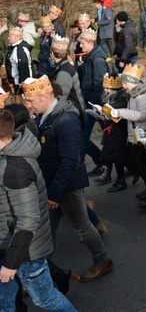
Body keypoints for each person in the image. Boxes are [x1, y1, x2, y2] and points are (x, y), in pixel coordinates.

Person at [22, 76, 114, 282]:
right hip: (53, 184)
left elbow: (70, 161)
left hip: (65, 186)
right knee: (48, 231)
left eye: (31, 101)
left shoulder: (65, 120)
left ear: (45, 96)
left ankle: (102, 260)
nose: (28, 105)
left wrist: (54, 194)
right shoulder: (46, 115)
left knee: (81, 226)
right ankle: (42, 274)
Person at [0, 109, 77, 312]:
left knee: (46, 299)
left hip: (25, 254)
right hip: (9, 246)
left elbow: (27, 221)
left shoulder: (15, 169)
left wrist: (10, 263)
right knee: (4, 302)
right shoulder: (8, 154)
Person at [110, 63, 146, 202]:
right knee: (140, 162)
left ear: (132, 82)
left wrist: (120, 113)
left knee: (138, 162)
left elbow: (142, 115)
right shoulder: (134, 93)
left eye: (125, 83)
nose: (123, 86)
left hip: (143, 134)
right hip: (138, 133)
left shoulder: (142, 96)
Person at [78, 27, 108, 177]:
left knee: (110, 137)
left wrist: (96, 106)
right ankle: (102, 162)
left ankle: (127, 165)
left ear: (90, 43)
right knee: (84, 137)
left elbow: (100, 85)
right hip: (91, 103)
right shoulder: (90, 57)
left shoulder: (97, 60)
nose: (80, 45)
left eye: (82, 43)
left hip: (95, 105)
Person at [4, 26, 32, 92]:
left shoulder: (21, 50)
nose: (8, 38)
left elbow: (24, 67)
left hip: (20, 82)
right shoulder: (13, 47)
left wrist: (22, 81)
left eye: (10, 36)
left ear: (17, 37)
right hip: (15, 81)